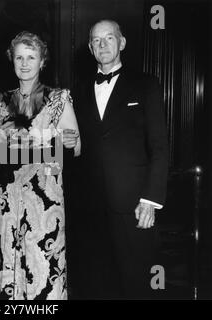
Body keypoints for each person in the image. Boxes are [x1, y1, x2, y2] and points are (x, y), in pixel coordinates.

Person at [69, 20, 168, 299]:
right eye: (96, 41)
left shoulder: (147, 85)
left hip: (134, 205)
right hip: (91, 207)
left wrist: (151, 199)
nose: (102, 45)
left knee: (136, 284)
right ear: (90, 48)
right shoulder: (77, 92)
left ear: (121, 43)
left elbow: (160, 146)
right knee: (96, 284)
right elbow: (77, 150)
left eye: (109, 38)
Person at [0, 31, 80, 300]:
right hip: (8, 200)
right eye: (19, 57)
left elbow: (76, 148)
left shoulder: (58, 98)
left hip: (46, 200)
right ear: (12, 61)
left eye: (31, 57)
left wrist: (66, 141)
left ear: (42, 61)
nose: (25, 63)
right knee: (9, 266)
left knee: (45, 270)